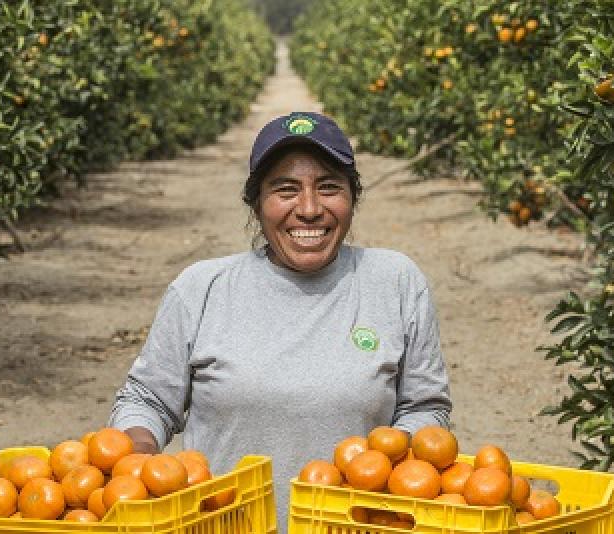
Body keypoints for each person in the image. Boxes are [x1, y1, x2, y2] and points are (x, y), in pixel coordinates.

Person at [108, 111, 452, 532]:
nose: (309, 209)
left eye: (329, 187)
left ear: (353, 197)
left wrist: (389, 466)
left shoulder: (394, 282)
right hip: (225, 524)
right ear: (257, 204)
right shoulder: (201, 289)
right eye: (285, 189)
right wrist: (137, 457)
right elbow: (147, 400)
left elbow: (424, 406)